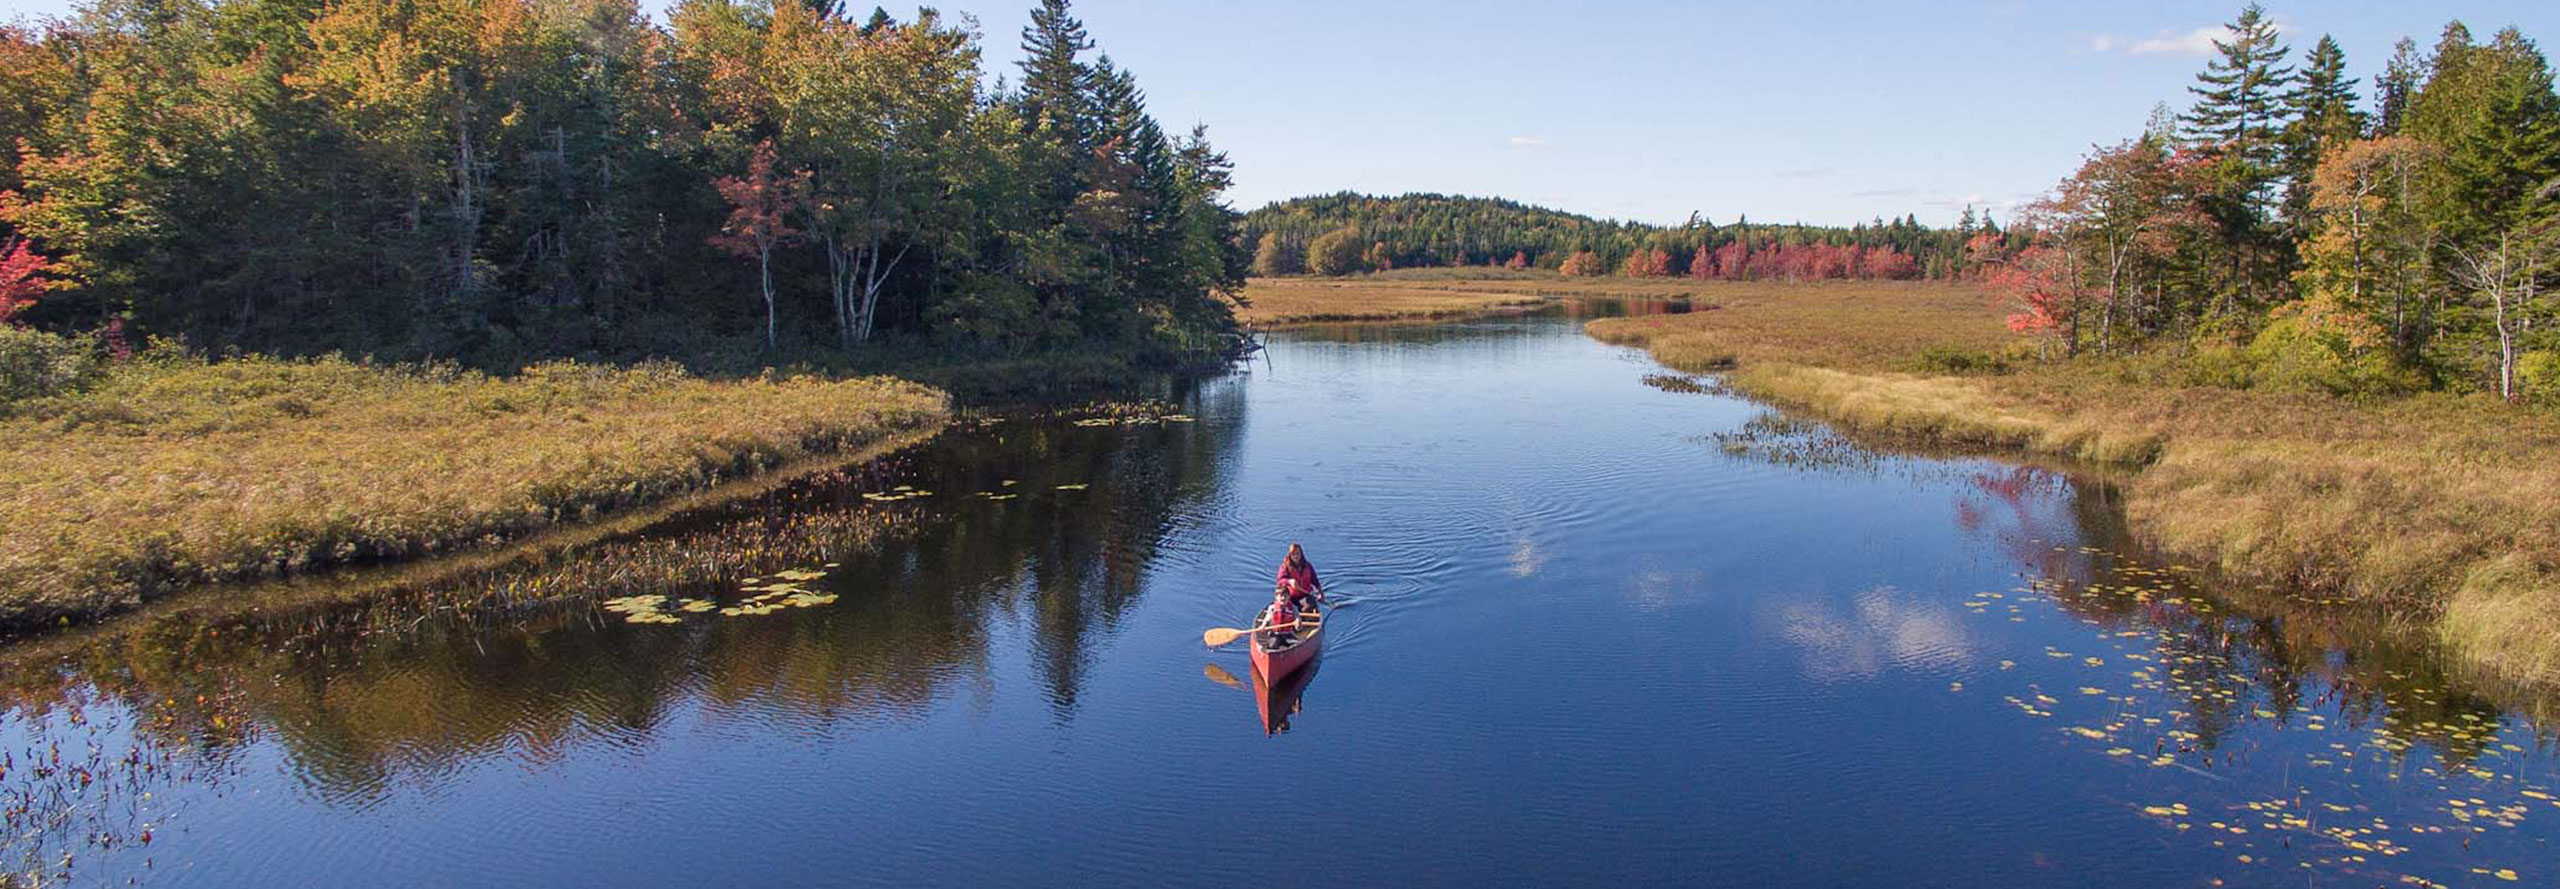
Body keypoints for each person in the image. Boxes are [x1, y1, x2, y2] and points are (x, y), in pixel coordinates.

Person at [1275, 543, 1322, 609]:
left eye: (1297, 554)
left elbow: (1315, 580)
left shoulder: (1308, 566)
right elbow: (1280, 580)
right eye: (1293, 554)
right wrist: (1289, 581)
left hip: (1305, 596)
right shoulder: (1285, 566)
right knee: (1283, 606)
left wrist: (1320, 593)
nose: (1295, 556)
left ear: (1301, 555)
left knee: (1310, 605)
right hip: (1290, 597)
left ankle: (1301, 616)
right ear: (1290, 555)